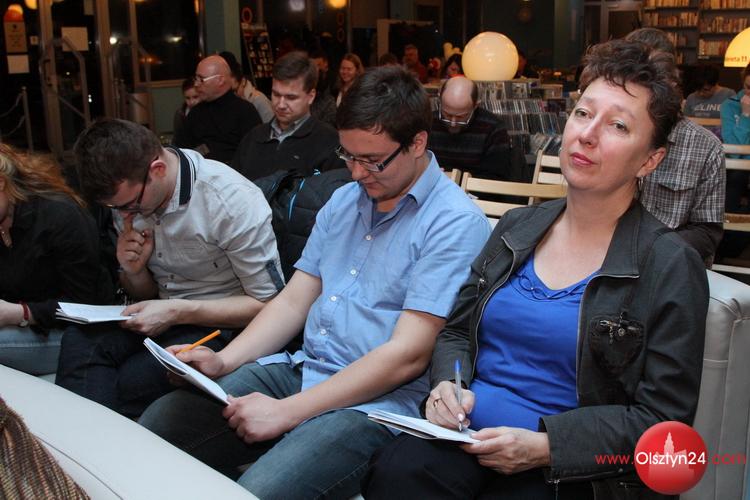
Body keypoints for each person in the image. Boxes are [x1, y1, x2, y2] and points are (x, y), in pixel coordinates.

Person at [363, 38, 709, 500]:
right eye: (583, 113)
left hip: (573, 470)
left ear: (650, 160)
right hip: (467, 435)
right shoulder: (516, 227)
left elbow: (663, 423)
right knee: (397, 471)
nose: (587, 134)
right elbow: (456, 332)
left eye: (618, 125)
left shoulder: (669, 264)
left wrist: (548, 448)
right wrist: (449, 384)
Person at [139, 66, 491, 499]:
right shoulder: (344, 200)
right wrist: (224, 361)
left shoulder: (454, 222)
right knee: (159, 426)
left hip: (375, 402)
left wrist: (287, 412)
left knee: (259, 491)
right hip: (305, 369)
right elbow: (293, 302)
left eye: (372, 160)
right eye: (348, 156)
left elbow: (407, 356)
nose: (357, 173)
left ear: (417, 143)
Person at [56, 118, 283, 417]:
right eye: (114, 209)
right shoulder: (129, 198)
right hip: (164, 313)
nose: (124, 215)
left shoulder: (228, 199)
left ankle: (91, 437)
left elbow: (268, 305)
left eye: (130, 205)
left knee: (127, 382)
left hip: (223, 325)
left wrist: (177, 311)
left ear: (157, 170)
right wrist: (134, 271)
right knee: (78, 341)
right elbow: (148, 293)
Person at [0, 144, 114, 375]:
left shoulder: (58, 214)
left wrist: (21, 313)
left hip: (80, 334)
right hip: (25, 328)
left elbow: (86, 304)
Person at [625, 27, 725, 264]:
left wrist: (649, 249)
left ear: (671, 81)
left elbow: (707, 233)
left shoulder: (706, 147)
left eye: (652, 79)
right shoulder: (608, 135)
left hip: (669, 267)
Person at [231, 51, 343, 181]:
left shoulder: (329, 141)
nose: (281, 104)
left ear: (311, 96)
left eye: (291, 97)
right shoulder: (254, 137)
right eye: (276, 95)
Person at [428, 76, 523, 181]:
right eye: (447, 115)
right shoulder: (427, 123)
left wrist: (456, 180)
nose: (453, 123)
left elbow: (496, 178)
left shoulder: (493, 128)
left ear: (475, 106)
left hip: (475, 190)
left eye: (461, 117)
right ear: (439, 100)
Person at [173, 55, 262, 165]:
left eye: (201, 79)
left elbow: (255, 154)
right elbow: (181, 150)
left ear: (220, 80)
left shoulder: (245, 111)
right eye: (196, 79)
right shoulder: (195, 113)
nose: (196, 84)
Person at [720, 63, 750, 215]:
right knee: (735, 177)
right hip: (737, 168)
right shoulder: (729, 106)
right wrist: (745, 115)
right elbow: (734, 151)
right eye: (748, 87)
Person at [219, 51, 275, 124]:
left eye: (234, 90)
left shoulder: (259, 100)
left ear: (243, 82)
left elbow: (271, 127)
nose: (232, 95)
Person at [309, 49, 338, 127]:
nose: (316, 68)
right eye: (314, 66)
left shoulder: (334, 80)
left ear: (325, 63)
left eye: (318, 65)